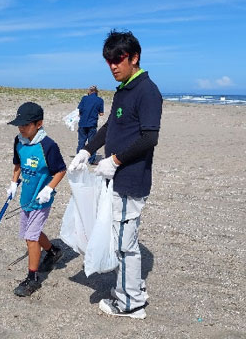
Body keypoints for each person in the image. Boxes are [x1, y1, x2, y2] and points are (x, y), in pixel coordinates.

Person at [69, 29, 162, 319]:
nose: (112, 66)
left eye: (118, 59)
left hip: (131, 179)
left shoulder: (147, 91)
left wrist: (116, 160)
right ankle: (131, 287)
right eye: (108, 61)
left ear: (134, 58)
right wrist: (86, 150)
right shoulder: (124, 90)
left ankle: (130, 303)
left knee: (124, 244)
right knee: (122, 237)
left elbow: (149, 137)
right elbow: (111, 126)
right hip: (116, 178)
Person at [6, 102, 67, 297]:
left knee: (31, 237)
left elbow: (61, 170)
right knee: (30, 232)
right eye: (19, 124)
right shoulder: (19, 141)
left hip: (41, 200)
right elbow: (17, 164)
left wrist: (49, 188)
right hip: (26, 198)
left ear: (38, 124)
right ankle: (53, 251)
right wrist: (13, 183)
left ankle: (32, 278)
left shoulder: (48, 146)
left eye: (26, 125)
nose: (21, 128)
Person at [77, 85, 105, 164]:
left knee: (81, 142)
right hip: (92, 123)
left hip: (82, 123)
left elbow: (79, 110)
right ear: (96, 92)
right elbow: (101, 113)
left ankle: (79, 159)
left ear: (90, 91)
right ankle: (91, 160)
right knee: (92, 142)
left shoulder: (84, 98)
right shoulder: (100, 100)